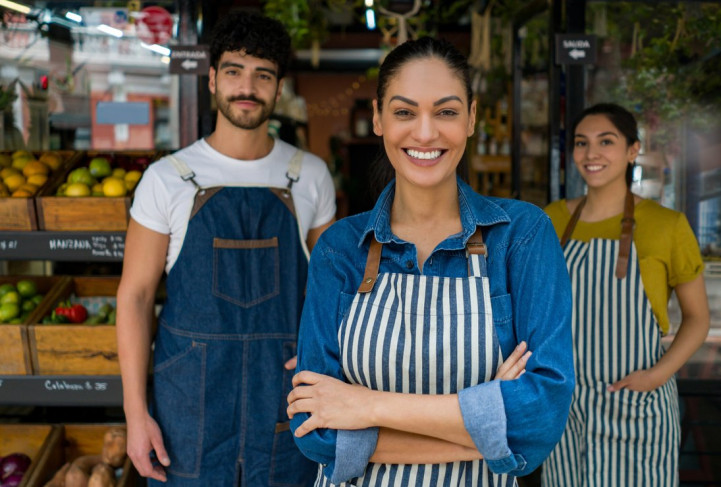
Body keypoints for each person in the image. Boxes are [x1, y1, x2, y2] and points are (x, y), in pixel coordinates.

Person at [285, 36, 575, 487]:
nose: (425, 133)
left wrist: (367, 406)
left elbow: (539, 418)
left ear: (472, 118)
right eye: (404, 112)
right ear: (378, 119)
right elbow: (317, 432)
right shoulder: (340, 248)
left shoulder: (522, 236)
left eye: (446, 111)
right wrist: (484, 432)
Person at [116, 11, 336, 486]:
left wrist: (325, 356)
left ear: (279, 88)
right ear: (213, 79)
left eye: (263, 75)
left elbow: (330, 293)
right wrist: (136, 415)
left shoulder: (310, 175)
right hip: (189, 402)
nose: (247, 87)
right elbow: (134, 298)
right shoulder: (167, 179)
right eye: (234, 71)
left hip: (282, 393)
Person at [542, 103, 710, 487]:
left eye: (606, 141)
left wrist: (655, 377)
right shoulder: (551, 219)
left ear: (633, 150)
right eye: (582, 144)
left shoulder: (667, 225)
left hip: (637, 406)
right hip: (567, 408)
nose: (591, 154)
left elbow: (698, 319)